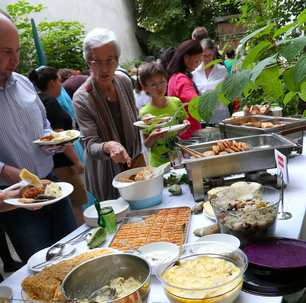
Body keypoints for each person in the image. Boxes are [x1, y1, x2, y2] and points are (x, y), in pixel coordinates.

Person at [0, 3, 77, 263]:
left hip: (51, 183)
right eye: (6, 51)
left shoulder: (24, 83)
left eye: (17, 51)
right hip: (13, 199)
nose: (15, 59)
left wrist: (52, 142)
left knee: (73, 254)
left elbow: (44, 125)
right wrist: (6, 171)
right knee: (42, 266)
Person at [73, 28, 142, 201]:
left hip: (135, 165)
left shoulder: (125, 82)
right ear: (88, 63)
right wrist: (109, 146)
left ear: (117, 61)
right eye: (97, 61)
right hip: (106, 174)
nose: (104, 68)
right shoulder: (82, 98)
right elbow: (90, 145)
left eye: (110, 60)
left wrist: (148, 124)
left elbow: (133, 121)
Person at [27, 66, 88, 226]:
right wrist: (77, 161)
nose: (62, 85)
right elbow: (59, 137)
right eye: (60, 81)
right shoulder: (51, 102)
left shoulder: (36, 100)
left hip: (50, 164)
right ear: (53, 82)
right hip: (64, 164)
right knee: (75, 206)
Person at [139, 62, 190, 167]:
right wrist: (152, 137)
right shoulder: (145, 113)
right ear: (144, 88)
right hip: (158, 164)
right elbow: (146, 143)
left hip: (178, 159)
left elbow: (182, 127)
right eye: (153, 84)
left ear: (167, 81)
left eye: (162, 82)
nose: (159, 87)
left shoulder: (176, 102)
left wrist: (185, 124)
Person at [167, 39, 203, 140]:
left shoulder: (174, 77)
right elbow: (196, 102)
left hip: (182, 134)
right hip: (189, 135)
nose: (197, 66)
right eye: (196, 61)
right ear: (186, 57)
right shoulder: (181, 79)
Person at [192, 38, 230, 124]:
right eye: (204, 56)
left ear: (213, 53)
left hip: (221, 115)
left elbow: (228, 91)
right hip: (203, 118)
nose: (207, 59)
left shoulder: (222, 71)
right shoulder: (195, 74)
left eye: (209, 55)